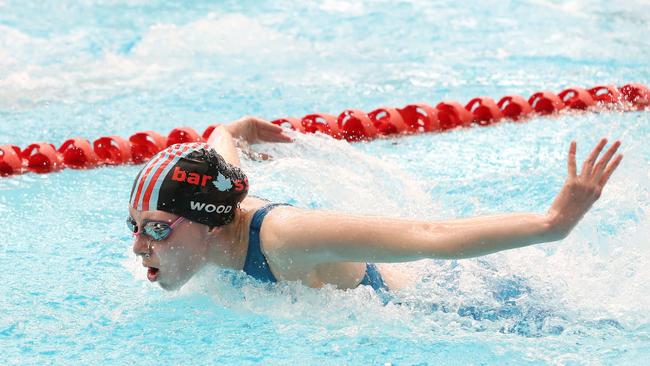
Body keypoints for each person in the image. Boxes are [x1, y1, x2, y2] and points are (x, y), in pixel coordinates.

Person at [128, 116, 623, 293]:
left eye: (154, 229)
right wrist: (238, 130)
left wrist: (552, 222)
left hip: (465, 301)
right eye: (133, 226)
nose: (137, 246)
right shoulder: (207, 204)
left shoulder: (286, 238)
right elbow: (220, 146)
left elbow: (431, 237)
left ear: (209, 226)